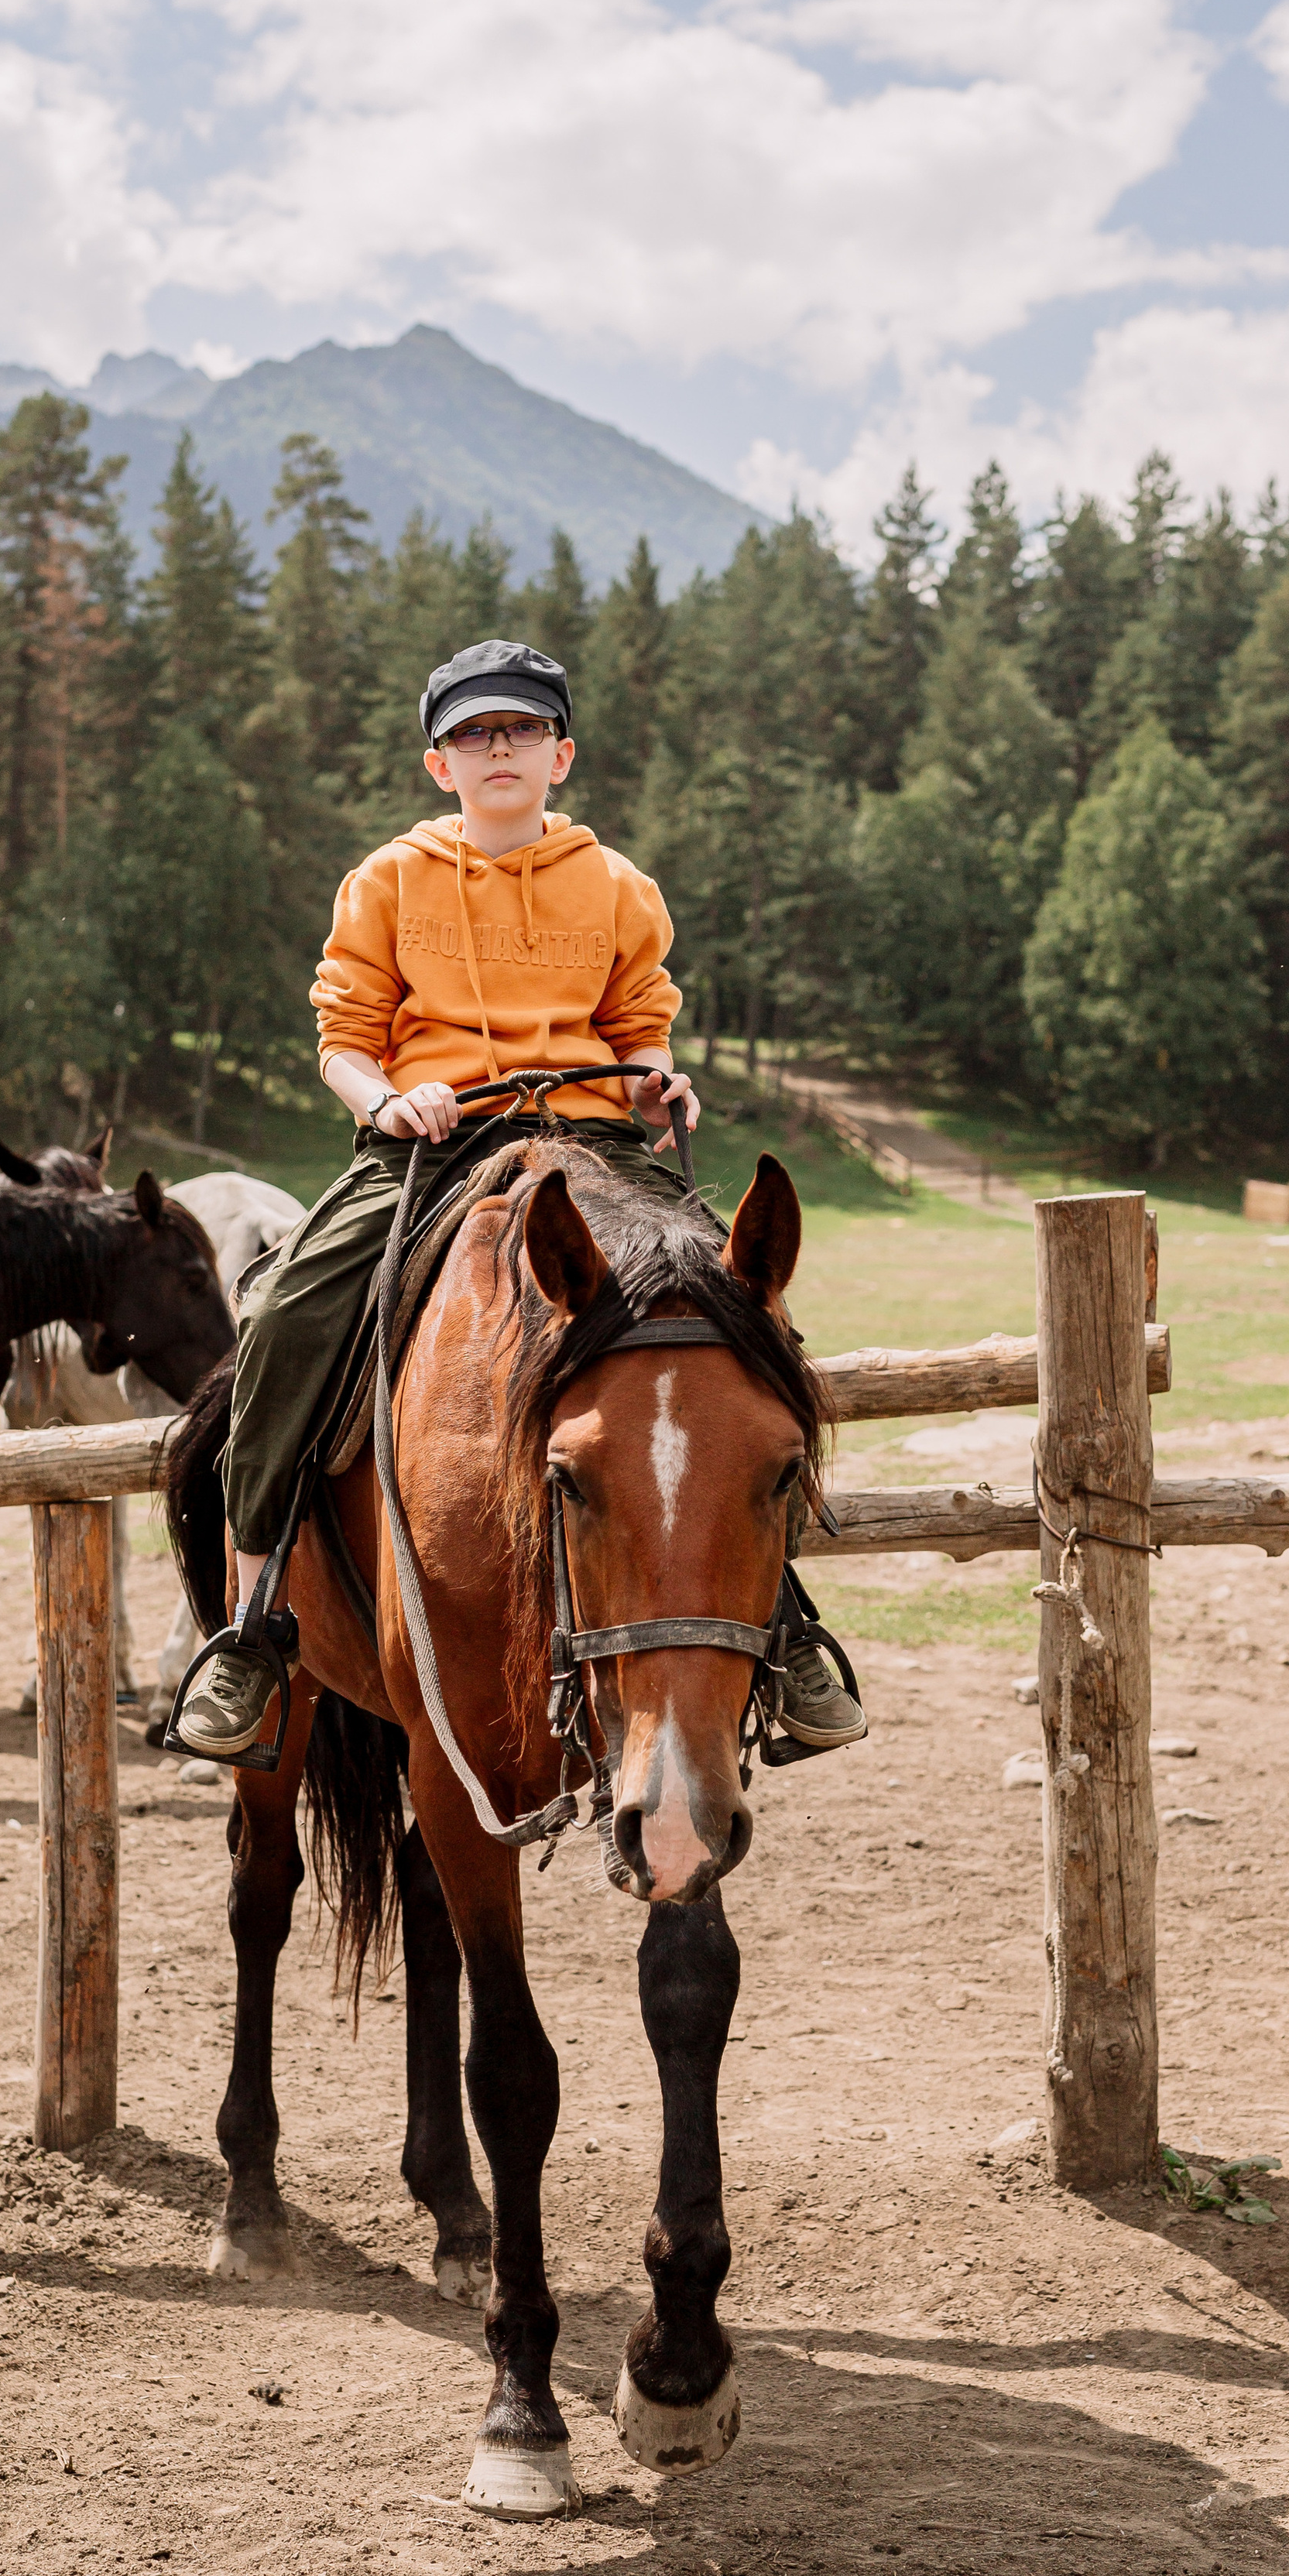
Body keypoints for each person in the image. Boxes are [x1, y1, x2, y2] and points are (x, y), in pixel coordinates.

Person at [176, 635, 865, 1762]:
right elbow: (343, 1041)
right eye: (473, 734)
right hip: (432, 1147)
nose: (499, 748)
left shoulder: (619, 887)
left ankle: (781, 1622)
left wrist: (655, 1084)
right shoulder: (387, 879)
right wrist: (388, 1099)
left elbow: (640, 1030)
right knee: (286, 1315)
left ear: (562, 755)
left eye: (522, 731)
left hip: (595, 1136)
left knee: (741, 1330)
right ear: (439, 765)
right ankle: (254, 1622)